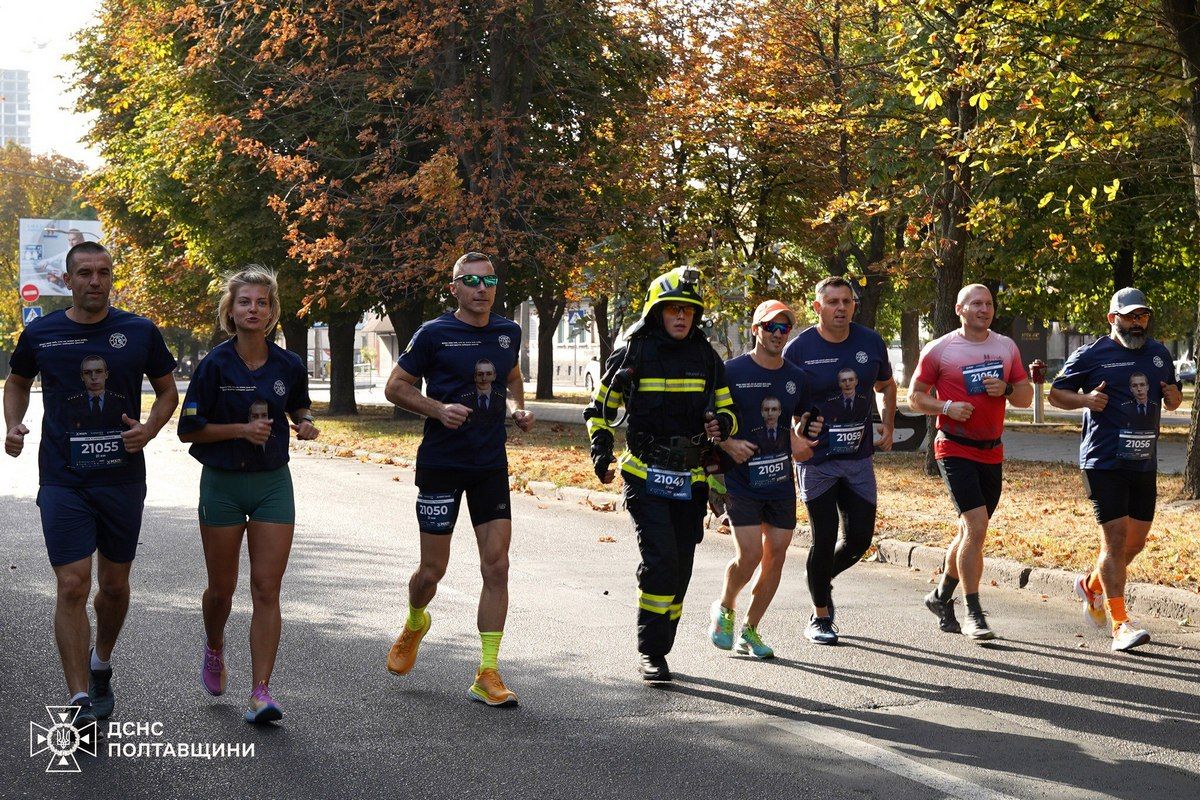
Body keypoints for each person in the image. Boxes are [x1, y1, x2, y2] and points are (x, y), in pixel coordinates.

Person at [4, 241, 178, 726]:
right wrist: (13, 424)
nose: (95, 281)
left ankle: (101, 662)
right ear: (68, 280)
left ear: (111, 277)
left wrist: (150, 429)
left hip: (121, 480)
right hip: (63, 479)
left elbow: (168, 391)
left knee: (115, 586)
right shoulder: (42, 333)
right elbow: (16, 382)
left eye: (103, 272)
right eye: (85, 273)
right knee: (72, 584)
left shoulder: (139, 331)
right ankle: (79, 696)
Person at [384, 252, 534, 706]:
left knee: (498, 565)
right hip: (442, 463)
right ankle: (415, 620)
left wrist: (516, 409)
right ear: (454, 288)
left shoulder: (508, 332)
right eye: (470, 280)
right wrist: (438, 409)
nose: (480, 288)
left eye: (488, 280)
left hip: (489, 463)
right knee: (433, 570)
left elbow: (510, 378)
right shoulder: (433, 334)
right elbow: (395, 387)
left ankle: (487, 671)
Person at [177, 265, 317, 724]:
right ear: (230, 312)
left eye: (262, 302)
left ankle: (261, 692)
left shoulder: (289, 364)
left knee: (266, 588)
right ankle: (214, 646)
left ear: (272, 312)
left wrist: (304, 420)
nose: (253, 309)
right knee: (222, 590)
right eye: (244, 302)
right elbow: (187, 429)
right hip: (222, 484)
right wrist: (241, 430)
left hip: (273, 483)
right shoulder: (213, 366)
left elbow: (296, 400)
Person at [584, 266, 736, 682]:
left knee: (681, 567)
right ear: (657, 311)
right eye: (673, 309)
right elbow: (600, 409)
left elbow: (727, 411)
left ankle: (662, 640)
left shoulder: (706, 355)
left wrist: (720, 425)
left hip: (691, 478)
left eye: (688, 310)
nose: (681, 317)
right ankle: (651, 651)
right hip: (645, 475)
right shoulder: (634, 352)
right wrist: (601, 447)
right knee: (661, 560)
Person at [1048, 287, 1181, 652]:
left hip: (1143, 460)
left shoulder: (1157, 354)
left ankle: (1090, 586)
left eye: (1142, 316)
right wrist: (1086, 400)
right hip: (1103, 460)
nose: (1138, 323)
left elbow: (1173, 395)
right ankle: (1120, 624)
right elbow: (1056, 394)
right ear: (1113, 318)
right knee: (1116, 539)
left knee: (1135, 542)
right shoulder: (1092, 354)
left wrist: (1173, 399)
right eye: (1130, 317)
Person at [908, 284, 1032, 641]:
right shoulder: (941, 349)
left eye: (989, 303)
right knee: (976, 526)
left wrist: (1006, 389)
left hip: (992, 450)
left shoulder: (1005, 346)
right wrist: (946, 407)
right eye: (976, 303)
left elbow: (1025, 396)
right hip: (954, 446)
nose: (984, 309)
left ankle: (940, 596)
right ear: (960, 309)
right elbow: (915, 397)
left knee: (968, 533)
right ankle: (973, 611)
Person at [782, 277, 897, 645]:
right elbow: (778, 397)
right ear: (817, 307)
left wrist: (888, 427)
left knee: (860, 539)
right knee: (825, 534)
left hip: (858, 458)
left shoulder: (870, 341)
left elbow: (887, 385)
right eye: (832, 301)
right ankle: (820, 615)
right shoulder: (800, 349)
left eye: (847, 301)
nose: (841, 308)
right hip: (816, 461)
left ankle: (819, 576)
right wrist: (794, 440)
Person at [707, 300, 816, 659]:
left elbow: (802, 420)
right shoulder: (730, 372)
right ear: (756, 330)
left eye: (785, 328)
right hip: (741, 479)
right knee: (750, 555)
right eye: (771, 327)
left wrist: (803, 436)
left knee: (777, 554)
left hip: (781, 481)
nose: (779, 334)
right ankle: (725, 606)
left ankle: (750, 631)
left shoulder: (796, 377)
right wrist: (727, 443)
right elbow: (708, 420)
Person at [67, 356, 128, 431]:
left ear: (106, 374)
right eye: (87, 373)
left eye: (98, 371)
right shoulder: (72, 402)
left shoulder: (120, 401)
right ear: (82, 377)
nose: (93, 377)